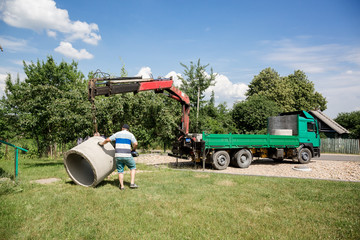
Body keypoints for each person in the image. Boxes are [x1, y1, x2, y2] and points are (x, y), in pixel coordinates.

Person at [98, 124, 138, 190]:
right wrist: (134, 149)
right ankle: (132, 183)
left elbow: (108, 140)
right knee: (133, 167)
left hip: (118, 155)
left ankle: (122, 186)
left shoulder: (117, 134)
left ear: (122, 128)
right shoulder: (130, 135)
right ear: (128, 129)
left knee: (120, 171)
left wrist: (102, 144)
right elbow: (136, 143)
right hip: (127, 155)